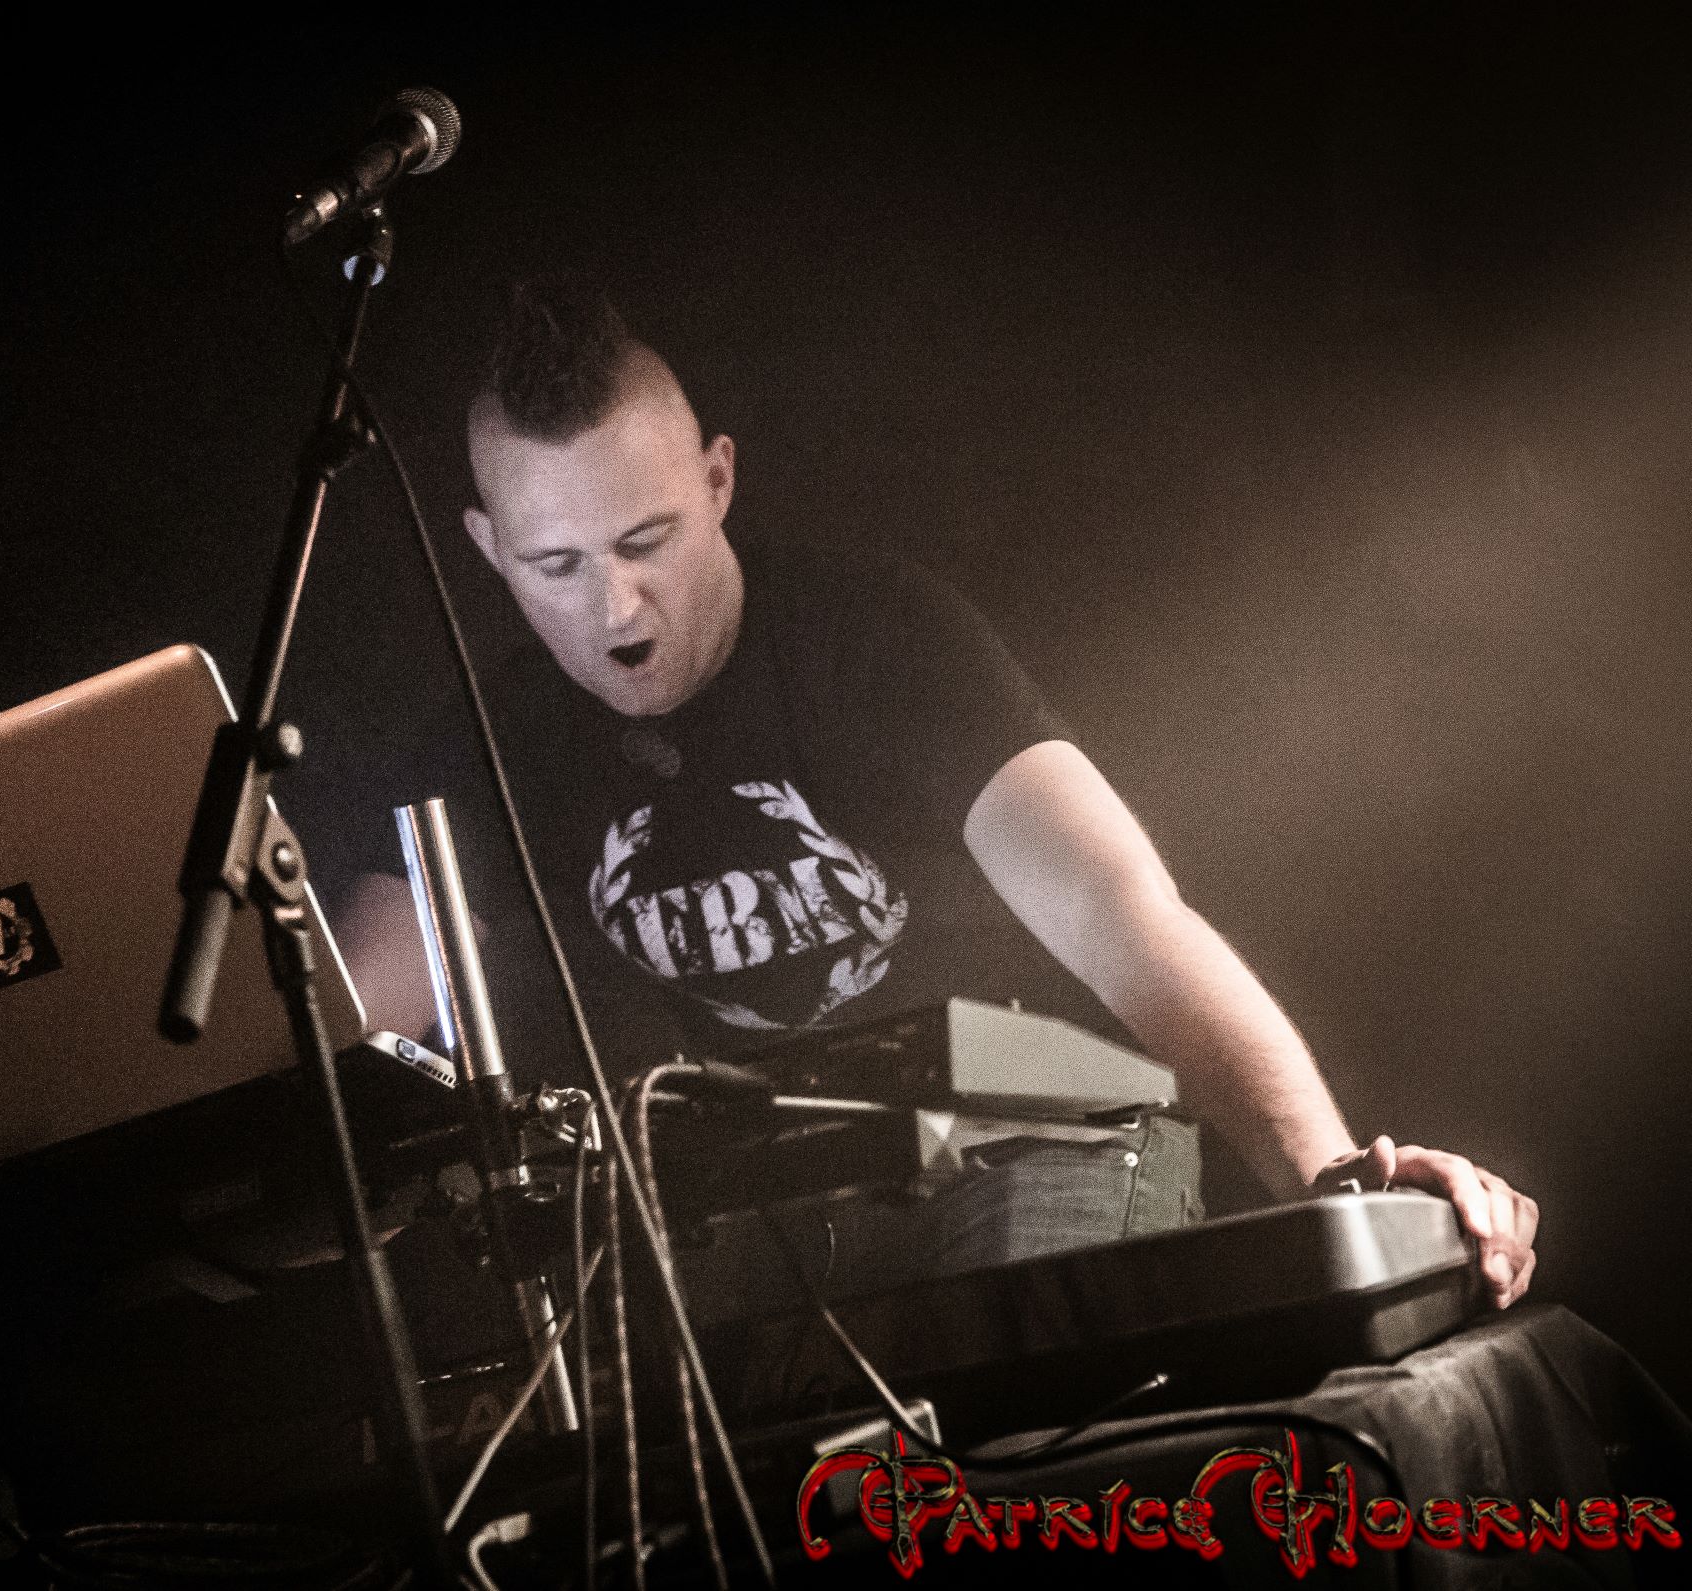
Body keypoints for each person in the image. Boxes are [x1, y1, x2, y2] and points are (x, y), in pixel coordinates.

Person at [327, 281, 1538, 1308]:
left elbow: (1122, 915)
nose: (614, 606)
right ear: (486, 548)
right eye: (555, 564)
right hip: (759, 1203)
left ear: (718, 480)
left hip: (1032, 1136)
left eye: (647, 540)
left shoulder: (882, 644)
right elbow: (342, 1034)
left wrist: (1331, 1180)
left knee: (1015, 1402)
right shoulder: (482, 745)